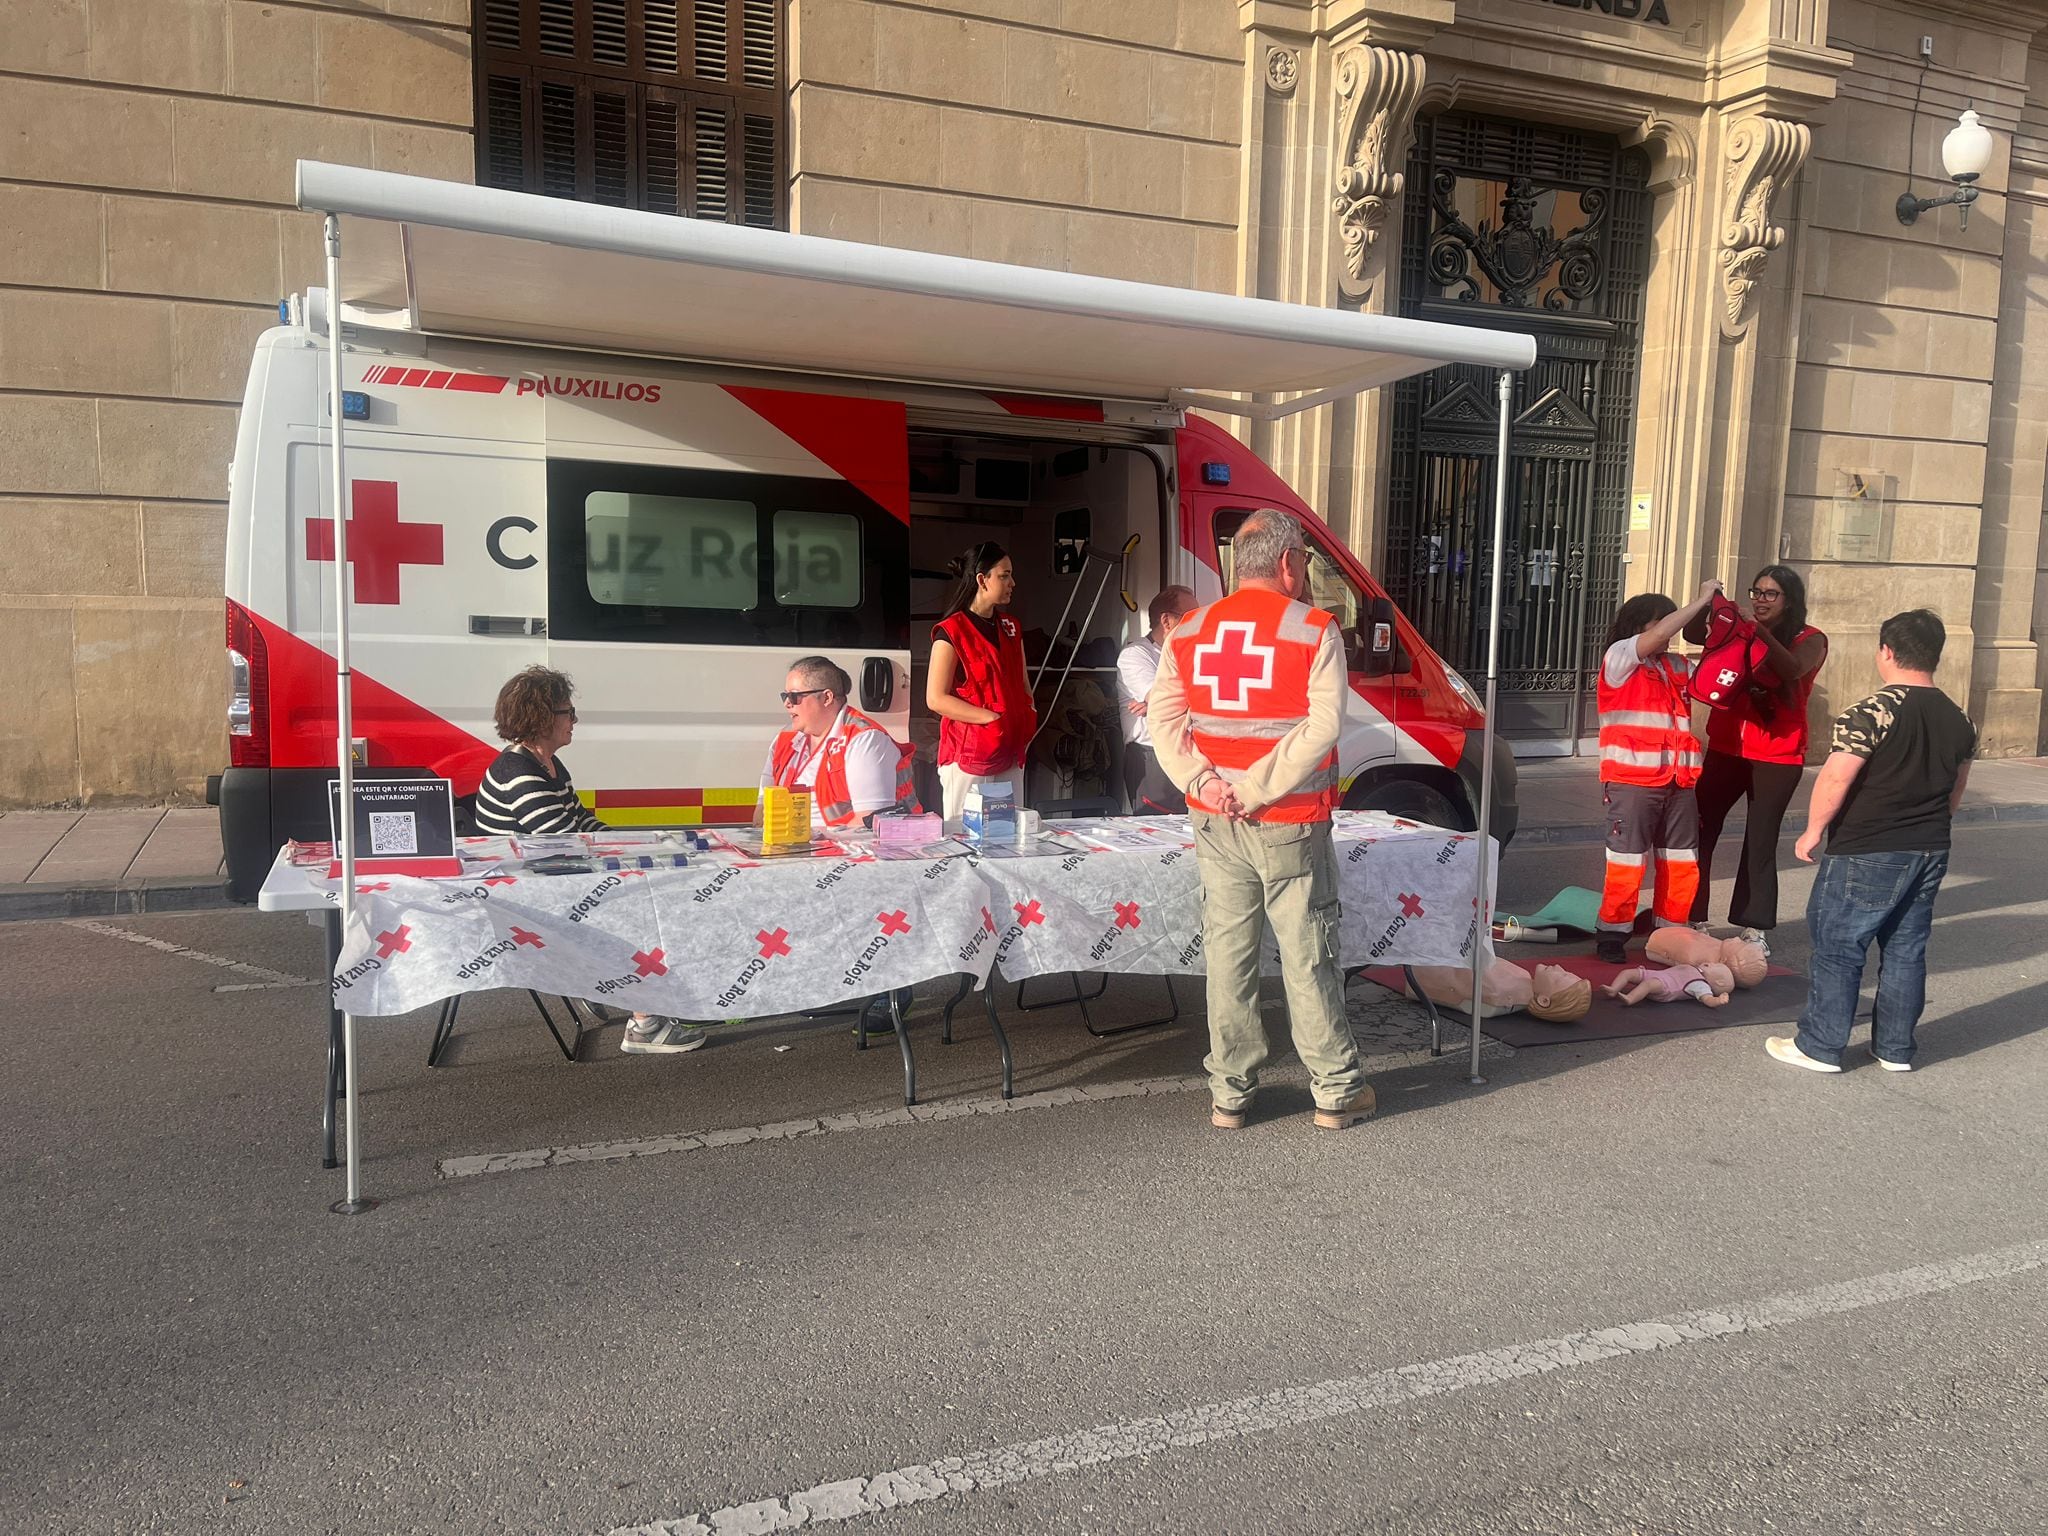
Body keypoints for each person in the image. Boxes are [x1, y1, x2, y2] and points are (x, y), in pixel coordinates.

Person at [1149, 508, 1372, 1133]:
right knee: (1308, 953)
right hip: (1291, 819)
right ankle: (1335, 1090)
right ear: (1288, 564)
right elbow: (1323, 725)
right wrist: (1254, 788)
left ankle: (1230, 1094)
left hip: (1213, 820)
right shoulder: (1313, 628)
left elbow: (1163, 723)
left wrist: (1206, 782)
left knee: (1228, 953)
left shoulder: (1188, 631)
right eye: (1303, 560)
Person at [1768, 610, 1975, 1075]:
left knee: (1840, 947)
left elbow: (1837, 777)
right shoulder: (1959, 719)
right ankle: (1895, 1049)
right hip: (1930, 846)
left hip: (1867, 846)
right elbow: (1955, 792)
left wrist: (1813, 829)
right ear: (1935, 656)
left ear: (1886, 650)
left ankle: (1819, 1046)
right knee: (1906, 949)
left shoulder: (1871, 711)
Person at [475, 666, 705, 1056]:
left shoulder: (545, 762)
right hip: (521, 897)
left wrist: (637, 841)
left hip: (539, 880)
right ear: (543, 717)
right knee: (639, 905)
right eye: (568, 712)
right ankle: (643, 1022)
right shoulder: (520, 771)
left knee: (642, 887)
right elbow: (562, 843)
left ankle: (611, 983)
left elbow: (580, 824)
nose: (575, 720)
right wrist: (635, 853)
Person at [1685, 565, 1828, 953]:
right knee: (1700, 828)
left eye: (1770, 594)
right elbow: (1694, 634)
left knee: (1760, 840)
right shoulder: (1740, 626)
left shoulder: (1811, 638)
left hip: (1777, 753)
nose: (1761, 600)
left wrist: (1755, 628)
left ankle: (1753, 929)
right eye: (1756, 592)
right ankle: (1692, 916)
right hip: (1728, 746)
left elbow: (1792, 669)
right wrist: (1705, 601)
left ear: (1789, 600)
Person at [1594, 580, 1722, 965]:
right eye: (1659, 623)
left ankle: (1671, 932)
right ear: (1637, 626)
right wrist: (1699, 599)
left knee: (1681, 861)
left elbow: (1718, 668)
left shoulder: (1676, 666)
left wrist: (1731, 620)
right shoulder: (1618, 658)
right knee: (1627, 861)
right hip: (1633, 782)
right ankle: (1613, 934)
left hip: (1679, 782)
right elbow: (1662, 634)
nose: (1668, 632)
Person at [927, 542, 1037, 823]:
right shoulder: (951, 631)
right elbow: (936, 699)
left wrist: (1028, 713)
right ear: (982, 580)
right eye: (1004, 575)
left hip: (1010, 749)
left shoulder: (1011, 627)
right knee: (966, 835)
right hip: (971, 754)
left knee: (1007, 833)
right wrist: (990, 718)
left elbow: (1022, 681)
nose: (1012, 583)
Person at [760, 656, 921, 831]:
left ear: (827, 697)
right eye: (785, 695)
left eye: (795, 696)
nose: (787, 703)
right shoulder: (785, 739)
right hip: (797, 846)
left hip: (847, 851)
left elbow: (868, 825)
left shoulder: (865, 740)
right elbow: (762, 813)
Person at [1116, 585, 1196, 813]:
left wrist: (1159, 704)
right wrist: (1161, 702)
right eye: (1192, 616)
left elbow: (1167, 703)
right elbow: (1165, 702)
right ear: (1167, 621)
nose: (1199, 623)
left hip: (1189, 752)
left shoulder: (1194, 652)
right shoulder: (1135, 655)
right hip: (1152, 758)